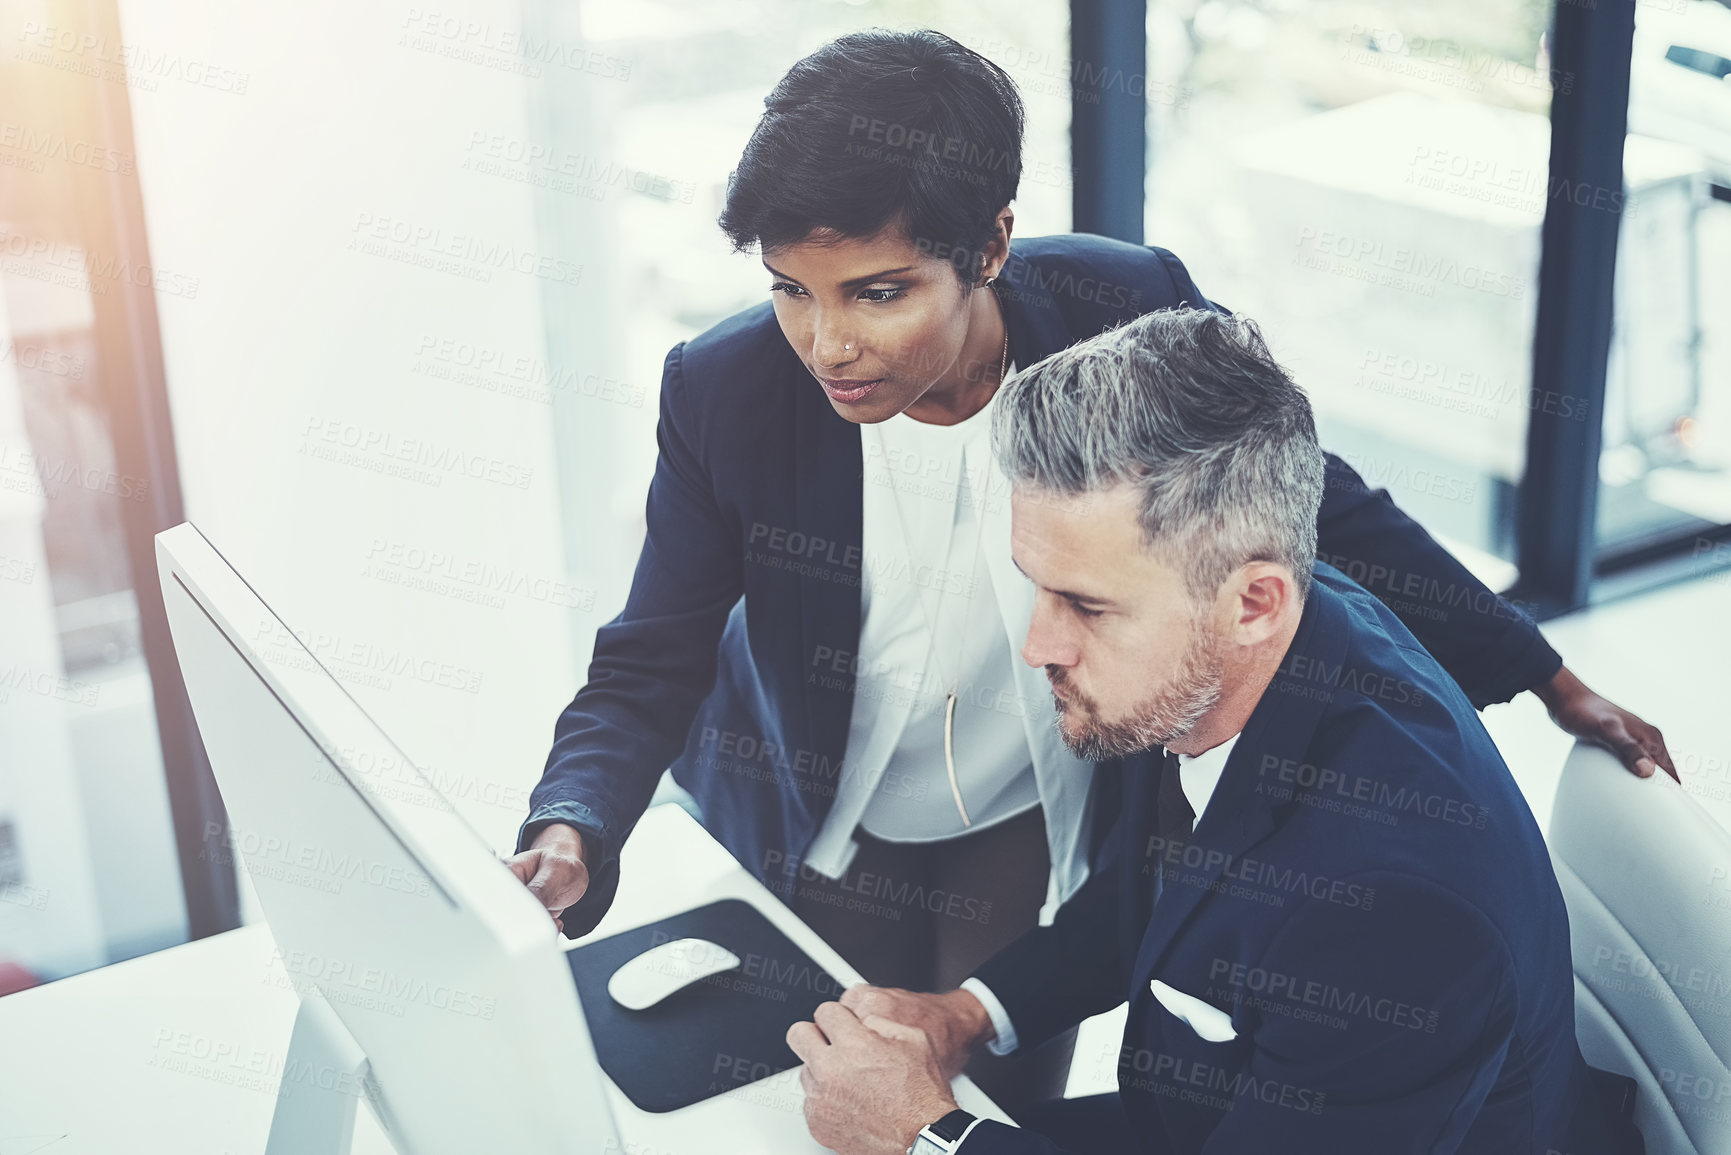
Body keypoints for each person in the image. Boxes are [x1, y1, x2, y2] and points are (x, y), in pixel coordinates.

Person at [503, 28, 1670, 1106]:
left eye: (880, 293)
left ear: (992, 246)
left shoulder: (1126, 305)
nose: (828, 344)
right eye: (790, 291)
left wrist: (1538, 670)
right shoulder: (726, 387)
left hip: (1030, 823)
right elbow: (653, 648)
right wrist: (576, 824)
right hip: (823, 819)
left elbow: (1310, 496)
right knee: (817, 1096)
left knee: (997, 1097)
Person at [788, 308, 1646, 1155]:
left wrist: (926, 1136)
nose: (1037, 646)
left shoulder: (1394, 911)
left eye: (1085, 605)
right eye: (1035, 587)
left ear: (1252, 603)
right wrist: (966, 1013)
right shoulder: (1230, 654)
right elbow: (1160, 884)